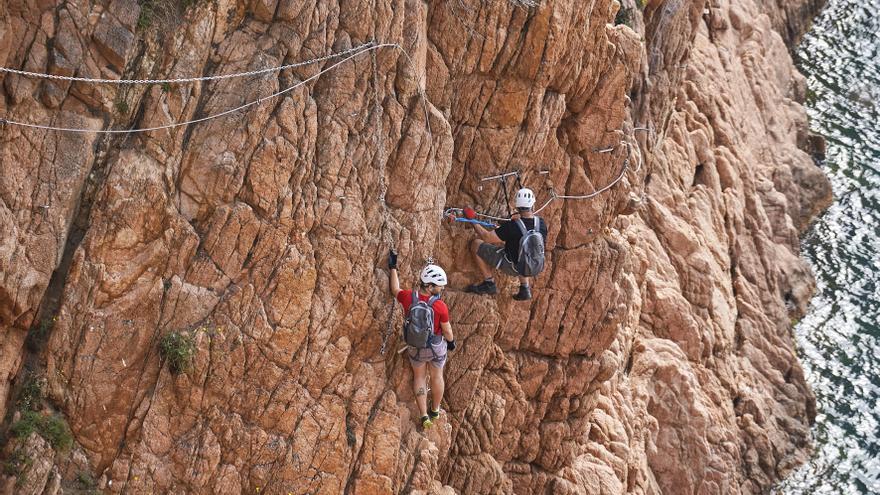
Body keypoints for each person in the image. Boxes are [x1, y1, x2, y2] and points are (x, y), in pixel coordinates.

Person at [388, 251, 455, 429]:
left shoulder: (409, 298)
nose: (441, 289)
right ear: (431, 286)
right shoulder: (440, 305)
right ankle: (435, 409)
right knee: (436, 375)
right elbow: (447, 330)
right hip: (435, 347)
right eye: (440, 286)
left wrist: (393, 267)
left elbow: (395, 290)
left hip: (415, 347)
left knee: (419, 377)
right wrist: (451, 342)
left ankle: (424, 414)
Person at [465, 188, 548, 300]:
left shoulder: (512, 227)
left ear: (517, 207)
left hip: (513, 266)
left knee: (475, 244)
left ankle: (489, 283)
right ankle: (525, 288)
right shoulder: (541, 223)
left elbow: (487, 237)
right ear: (533, 205)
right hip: (535, 265)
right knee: (525, 251)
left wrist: (472, 220)